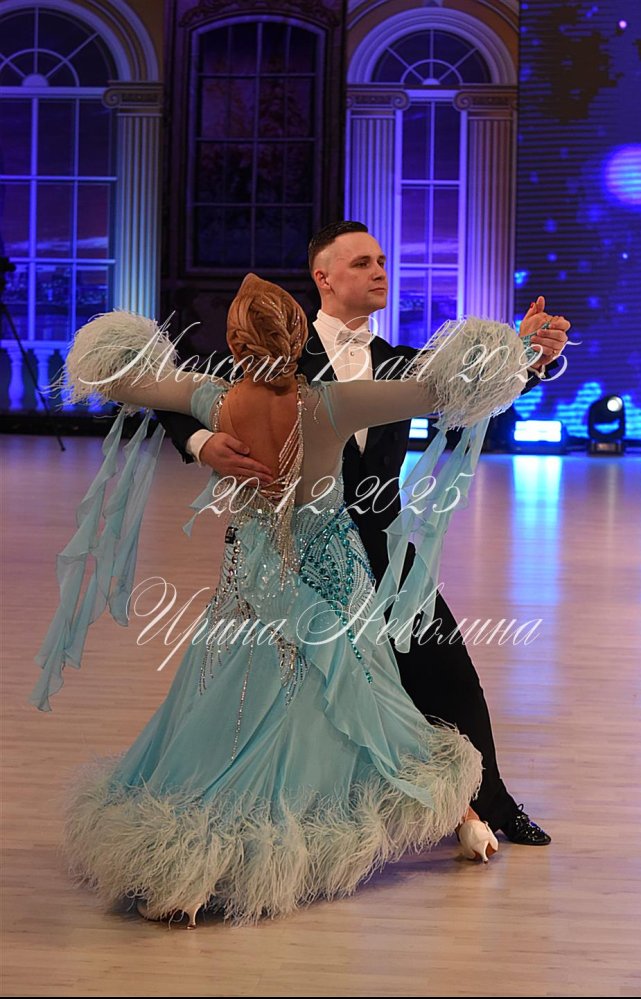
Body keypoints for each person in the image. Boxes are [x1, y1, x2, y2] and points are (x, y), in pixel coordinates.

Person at [32, 274, 549, 927]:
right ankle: (400, 819)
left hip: (252, 574)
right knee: (342, 700)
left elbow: (129, 380)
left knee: (241, 697)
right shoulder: (332, 404)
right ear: (298, 337)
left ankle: (197, 856)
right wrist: (520, 350)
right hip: (332, 574)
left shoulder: (213, 396)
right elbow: (442, 389)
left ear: (234, 343)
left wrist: (138, 367)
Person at [156, 221, 571, 845]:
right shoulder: (272, 353)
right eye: (360, 263)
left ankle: (492, 802)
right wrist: (201, 441)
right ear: (322, 277)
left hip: (384, 546)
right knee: (290, 692)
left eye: (380, 260)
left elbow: (468, 382)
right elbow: (172, 392)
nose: (379, 271)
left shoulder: (399, 362)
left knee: (447, 674)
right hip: (295, 555)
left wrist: (529, 355)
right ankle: (296, 815)